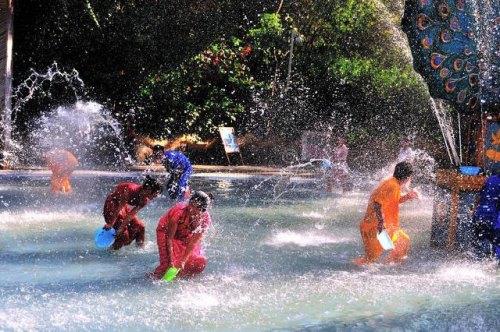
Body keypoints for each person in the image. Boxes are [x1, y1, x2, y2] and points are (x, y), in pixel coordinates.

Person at [354, 161, 419, 265]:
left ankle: (390, 266)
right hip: (373, 227)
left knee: (403, 241)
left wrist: (407, 197)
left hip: (384, 227)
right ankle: (350, 271)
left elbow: (392, 201)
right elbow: (376, 203)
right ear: (407, 178)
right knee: (370, 260)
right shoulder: (391, 185)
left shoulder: (394, 184)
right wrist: (380, 222)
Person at [152, 191, 212, 279]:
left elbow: (193, 243)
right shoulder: (179, 212)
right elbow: (169, 239)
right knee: (167, 265)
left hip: (186, 233)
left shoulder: (205, 220)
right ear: (189, 203)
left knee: (197, 262)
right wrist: (171, 260)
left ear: (203, 210)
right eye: (191, 205)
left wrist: (183, 261)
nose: (193, 210)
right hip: (165, 232)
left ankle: (180, 277)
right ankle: (151, 280)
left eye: (197, 208)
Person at [102, 175, 162, 250]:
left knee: (140, 227)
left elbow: (130, 215)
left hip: (123, 207)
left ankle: (140, 250)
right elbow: (119, 207)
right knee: (123, 235)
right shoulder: (130, 190)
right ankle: (111, 253)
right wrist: (111, 224)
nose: (156, 196)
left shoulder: (144, 200)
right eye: (155, 194)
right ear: (148, 190)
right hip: (112, 205)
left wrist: (122, 227)